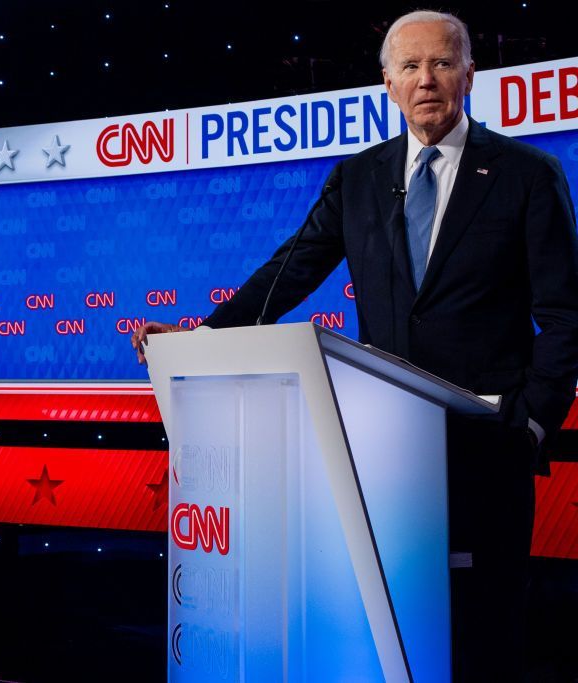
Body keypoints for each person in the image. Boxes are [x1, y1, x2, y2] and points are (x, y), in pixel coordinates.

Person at [133, 10, 578, 681]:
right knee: (394, 629)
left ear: (469, 76)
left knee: (485, 636)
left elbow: (566, 316)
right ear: (388, 85)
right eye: (409, 67)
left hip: (490, 446)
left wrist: (532, 424)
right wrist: (206, 337)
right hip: (385, 448)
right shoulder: (358, 178)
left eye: (441, 63)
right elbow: (293, 268)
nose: (425, 79)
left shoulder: (526, 174)